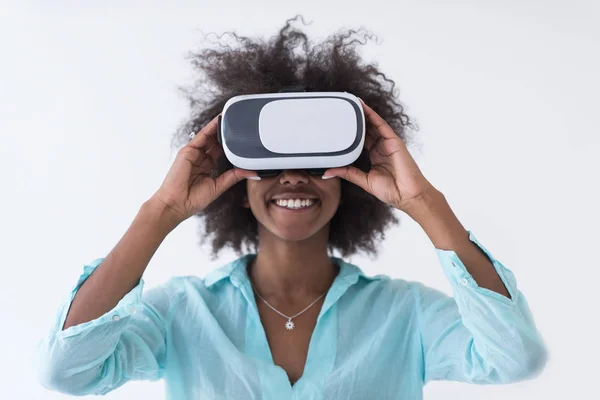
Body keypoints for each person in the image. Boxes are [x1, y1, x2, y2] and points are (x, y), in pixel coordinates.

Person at [36, 17, 547, 399]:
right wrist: (162, 211)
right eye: (272, 162)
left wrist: (424, 203)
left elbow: (515, 357)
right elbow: (68, 370)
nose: (294, 177)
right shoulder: (183, 312)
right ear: (235, 176)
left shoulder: (405, 314)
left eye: (317, 160)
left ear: (352, 174)